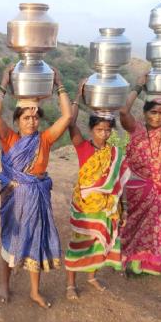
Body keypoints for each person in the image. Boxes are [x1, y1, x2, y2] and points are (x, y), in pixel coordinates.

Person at [0, 64, 71, 308]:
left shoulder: (44, 140)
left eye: (35, 117)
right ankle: (4, 283)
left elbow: (67, 117)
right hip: (15, 197)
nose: (32, 121)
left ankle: (35, 291)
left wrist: (59, 84)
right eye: (26, 117)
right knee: (11, 237)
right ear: (17, 120)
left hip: (37, 197)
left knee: (37, 238)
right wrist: (3, 81)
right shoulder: (10, 139)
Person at [65, 80, 130, 299]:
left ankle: (91, 276)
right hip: (84, 207)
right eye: (99, 129)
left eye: (107, 129)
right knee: (79, 242)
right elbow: (70, 122)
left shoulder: (115, 154)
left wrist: (124, 209)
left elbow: (119, 185)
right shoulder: (82, 146)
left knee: (98, 244)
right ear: (91, 129)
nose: (103, 133)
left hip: (106, 207)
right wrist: (78, 95)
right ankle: (70, 284)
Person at [119, 75, 161, 275]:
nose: (157, 117)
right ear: (145, 112)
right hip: (136, 190)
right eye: (153, 112)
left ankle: (149, 262)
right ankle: (128, 259)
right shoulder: (136, 129)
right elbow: (123, 110)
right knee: (131, 225)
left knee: (155, 228)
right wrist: (139, 85)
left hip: (160, 192)